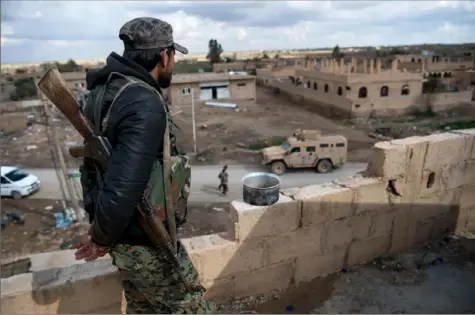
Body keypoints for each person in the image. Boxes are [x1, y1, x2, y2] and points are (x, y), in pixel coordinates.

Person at [74, 17, 216, 314]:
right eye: (173, 56)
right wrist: (100, 236)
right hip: (146, 239)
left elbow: (95, 168)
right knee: (190, 307)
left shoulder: (103, 91)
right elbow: (123, 185)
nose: (173, 64)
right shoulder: (142, 101)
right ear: (164, 55)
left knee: (143, 308)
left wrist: (100, 228)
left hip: (126, 237)